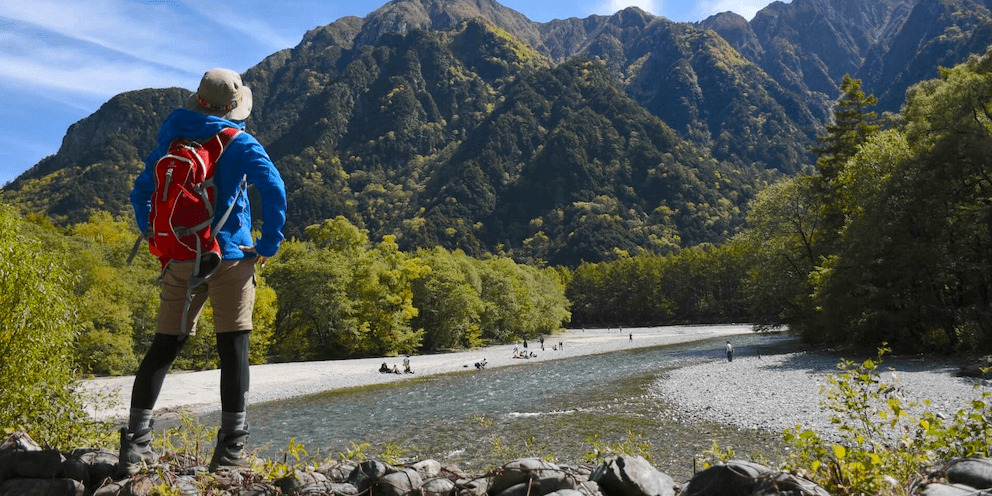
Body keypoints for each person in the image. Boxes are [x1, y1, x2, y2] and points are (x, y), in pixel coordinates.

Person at [120, 68, 286, 476]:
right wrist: (268, 244)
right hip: (230, 258)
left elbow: (141, 192)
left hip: (181, 258)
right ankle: (229, 454)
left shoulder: (173, 138)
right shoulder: (240, 142)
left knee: (164, 346)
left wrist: (160, 239)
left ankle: (135, 444)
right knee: (233, 350)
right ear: (234, 106)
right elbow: (275, 189)